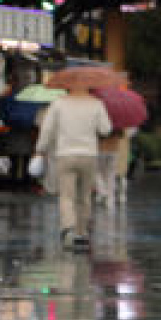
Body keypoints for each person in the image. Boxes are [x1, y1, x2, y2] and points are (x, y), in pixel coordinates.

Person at [34, 87, 111, 249]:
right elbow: (106, 129)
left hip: (65, 153)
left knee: (66, 195)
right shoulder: (96, 104)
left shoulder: (58, 103)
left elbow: (47, 129)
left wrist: (40, 149)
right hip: (89, 154)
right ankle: (82, 232)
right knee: (84, 195)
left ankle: (68, 229)